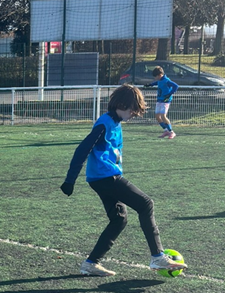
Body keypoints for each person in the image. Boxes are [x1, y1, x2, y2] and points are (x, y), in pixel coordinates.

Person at [59, 84, 187, 277]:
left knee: (119, 219)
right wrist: (70, 180)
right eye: (133, 110)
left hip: (103, 177)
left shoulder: (114, 122)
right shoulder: (105, 124)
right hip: (105, 177)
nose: (134, 115)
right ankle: (158, 256)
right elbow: (82, 149)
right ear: (121, 105)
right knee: (145, 204)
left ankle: (91, 263)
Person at [145, 66, 179, 139]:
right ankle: (166, 130)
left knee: (163, 116)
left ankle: (171, 132)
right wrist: (150, 85)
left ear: (160, 75)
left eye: (156, 76)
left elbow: (176, 86)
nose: (155, 78)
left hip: (165, 101)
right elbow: (157, 82)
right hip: (159, 100)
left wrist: (169, 94)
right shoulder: (160, 80)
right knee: (157, 116)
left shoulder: (166, 80)